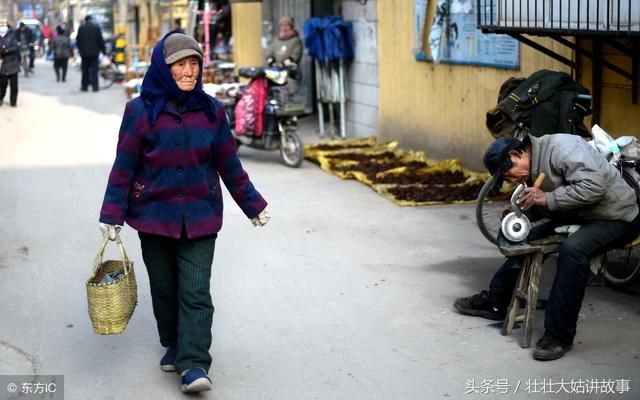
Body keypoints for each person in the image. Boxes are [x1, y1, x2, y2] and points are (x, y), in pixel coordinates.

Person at [99, 31, 270, 393]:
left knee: (195, 292)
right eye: (181, 64)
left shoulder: (211, 112)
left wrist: (253, 204)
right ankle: (174, 343)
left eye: (194, 63)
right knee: (164, 288)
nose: (190, 71)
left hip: (200, 215)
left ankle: (193, 363)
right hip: (154, 215)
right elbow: (124, 165)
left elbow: (229, 164)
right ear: (164, 67)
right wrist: (112, 214)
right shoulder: (140, 111)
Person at [454, 134, 640, 361]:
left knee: (573, 250)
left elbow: (594, 187)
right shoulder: (532, 166)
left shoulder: (563, 148)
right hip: (583, 213)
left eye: (507, 174)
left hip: (618, 215)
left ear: (515, 155)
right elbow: (552, 201)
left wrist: (547, 198)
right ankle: (495, 301)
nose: (511, 180)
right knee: (526, 238)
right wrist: (522, 211)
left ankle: (559, 335)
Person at [265, 16, 303, 90]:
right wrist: (272, 62)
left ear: (291, 26)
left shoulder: (296, 40)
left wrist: (282, 65)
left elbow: (295, 56)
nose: (284, 28)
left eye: (287, 25)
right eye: (282, 25)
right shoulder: (276, 40)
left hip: (290, 74)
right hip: (276, 74)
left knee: (291, 95)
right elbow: (269, 54)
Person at [76, 15, 105, 92]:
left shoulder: (81, 28)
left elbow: (78, 41)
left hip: (84, 54)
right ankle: (95, 87)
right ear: (91, 20)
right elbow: (100, 40)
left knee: (85, 71)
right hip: (94, 54)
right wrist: (103, 51)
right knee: (94, 71)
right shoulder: (96, 28)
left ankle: (84, 87)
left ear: (85, 20)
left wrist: (80, 50)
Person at [0, 21, 19, 107]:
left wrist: (6, 50)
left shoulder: (12, 35)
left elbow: (15, 47)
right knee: (2, 84)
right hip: (2, 65)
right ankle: (1, 98)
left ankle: (13, 102)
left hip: (12, 63)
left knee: (14, 86)